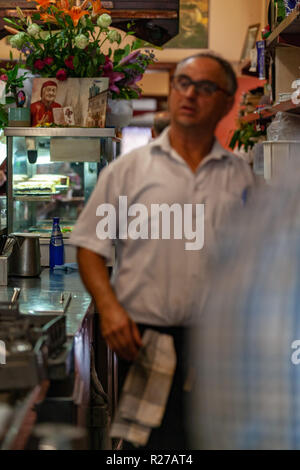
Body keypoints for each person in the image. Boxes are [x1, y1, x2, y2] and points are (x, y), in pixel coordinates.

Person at [69, 52, 255, 449]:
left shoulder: (242, 178)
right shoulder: (129, 171)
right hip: (145, 340)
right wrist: (111, 309)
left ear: (226, 102)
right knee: (151, 446)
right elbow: (89, 246)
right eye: (182, 83)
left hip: (219, 346)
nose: (190, 94)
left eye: (205, 88)